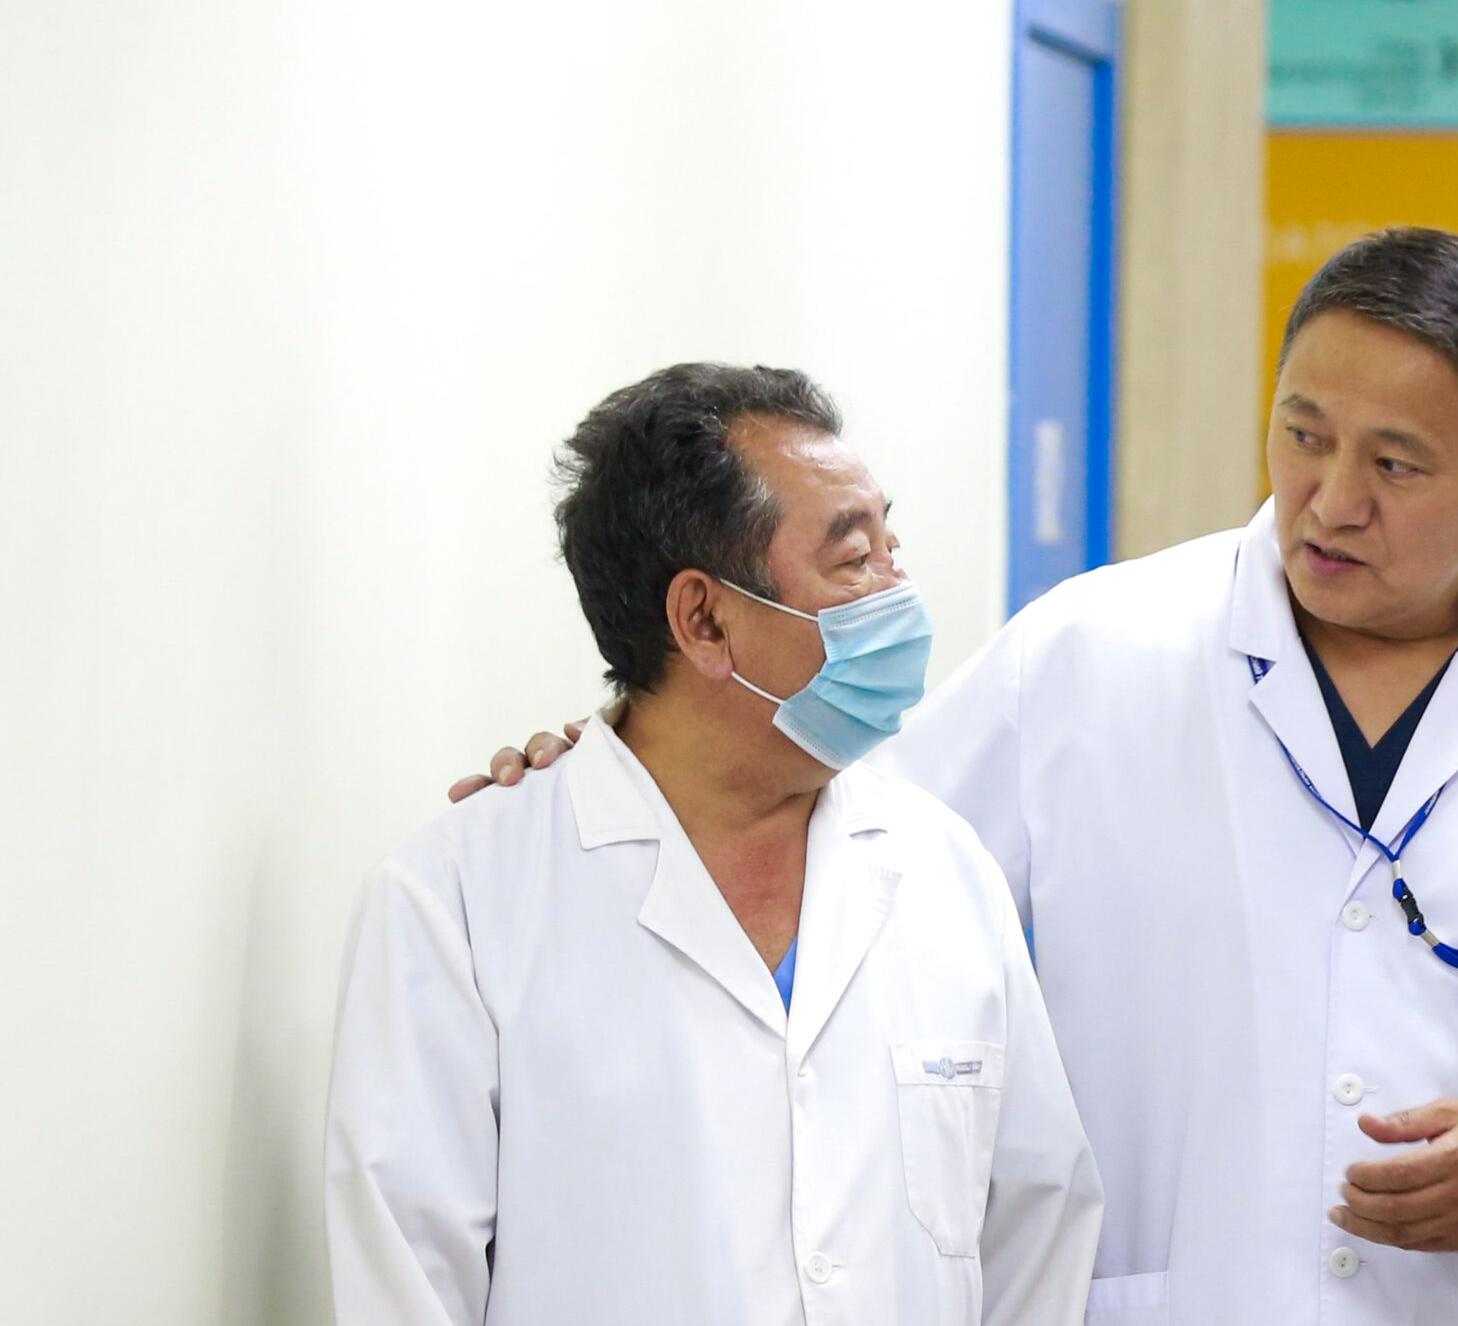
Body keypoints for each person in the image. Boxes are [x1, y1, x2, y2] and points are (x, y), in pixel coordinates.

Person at [462, 231, 1458, 1324]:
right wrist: (618, 770)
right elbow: (829, 860)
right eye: (1303, 435)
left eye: (1395, 464)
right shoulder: (1089, 657)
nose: (1330, 498)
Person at [329, 365, 1104, 1325]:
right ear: (704, 619)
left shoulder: (945, 871)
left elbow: (1038, 1227)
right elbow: (409, 1284)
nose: (901, 595)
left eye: (891, 548)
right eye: (854, 562)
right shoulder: (457, 905)